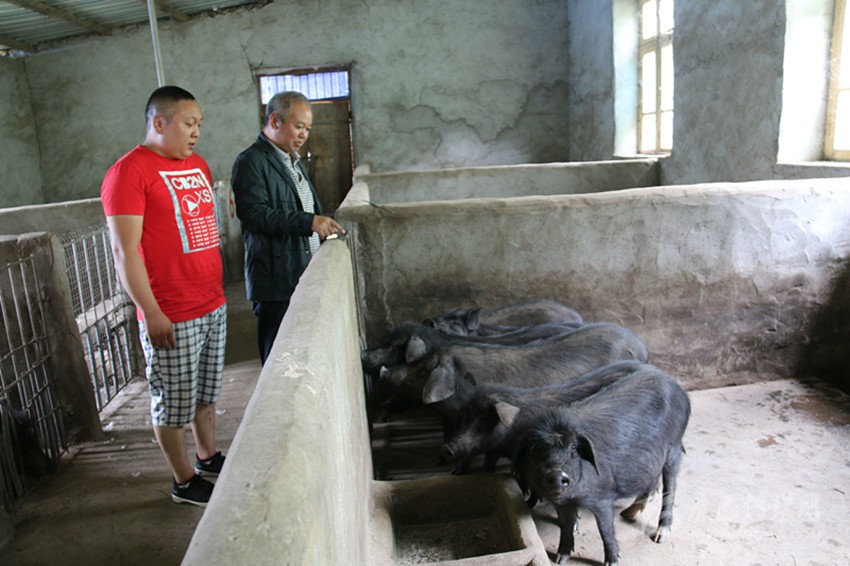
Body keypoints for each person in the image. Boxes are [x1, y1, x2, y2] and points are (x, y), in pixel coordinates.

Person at [101, 86, 227, 507]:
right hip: (171, 310)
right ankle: (184, 480)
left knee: (205, 392)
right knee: (172, 403)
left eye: (199, 124)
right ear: (159, 122)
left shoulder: (197, 165)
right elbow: (124, 250)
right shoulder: (128, 173)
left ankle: (207, 456)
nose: (196, 132)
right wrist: (150, 310)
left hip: (211, 302)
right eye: (189, 123)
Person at [231, 91, 344, 364]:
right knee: (277, 356)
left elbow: (303, 207)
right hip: (276, 278)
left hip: (300, 271)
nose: (304, 134)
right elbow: (254, 215)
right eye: (299, 126)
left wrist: (321, 224)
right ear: (274, 120)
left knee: (300, 352)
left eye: (308, 128)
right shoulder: (251, 161)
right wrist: (309, 222)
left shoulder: (293, 161)